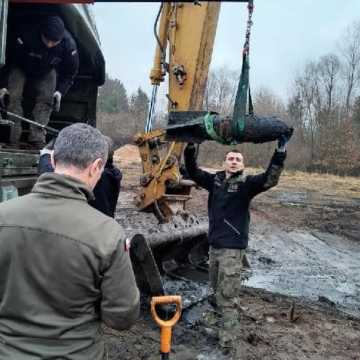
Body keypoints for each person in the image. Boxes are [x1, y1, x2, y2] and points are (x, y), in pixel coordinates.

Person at [0, 123, 140, 359]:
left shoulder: (3, 215)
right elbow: (122, 316)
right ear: (96, 167)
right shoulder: (107, 234)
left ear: (53, 161)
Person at [184, 135, 291, 341]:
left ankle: (228, 343)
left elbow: (270, 178)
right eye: (230, 158)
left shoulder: (247, 184)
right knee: (215, 292)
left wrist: (280, 152)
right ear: (224, 162)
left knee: (227, 298)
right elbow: (194, 172)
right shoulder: (215, 180)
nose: (233, 161)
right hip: (214, 248)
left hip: (232, 251)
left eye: (237, 159)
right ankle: (217, 328)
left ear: (243, 165)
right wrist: (191, 147)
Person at [0, 15, 79, 148]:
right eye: (46, 40)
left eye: (54, 42)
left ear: (61, 39)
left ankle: (36, 139)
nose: (49, 44)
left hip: (47, 70)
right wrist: (2, 85)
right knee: (12, 97)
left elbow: (70, 74)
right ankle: (12, 138)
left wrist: (60, 91)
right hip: (20, 66)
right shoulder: (26, 34)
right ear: (41, 33)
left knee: (47, 99)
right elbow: (7, 60)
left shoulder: (69, 46)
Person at [39, 135, 122, 218]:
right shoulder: (113, 173)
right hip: (104, 220)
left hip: (91, 223)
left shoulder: (100, 176)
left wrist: (45, 155)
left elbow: (50, 173)